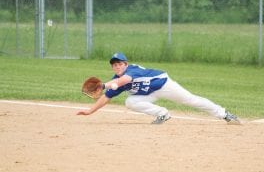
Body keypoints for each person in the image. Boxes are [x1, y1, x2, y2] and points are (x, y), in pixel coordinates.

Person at [77, 52, 241, 125]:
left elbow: (124, 81)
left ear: (126, 64)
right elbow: (106, 97)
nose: (117, 66)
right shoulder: (115, 79)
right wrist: (90, 111)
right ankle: (162, 114)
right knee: (130, 102)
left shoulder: (132, 70)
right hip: (148, 94)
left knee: (190, 100)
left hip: (164, 85)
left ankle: (224, 114)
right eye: (114, 65)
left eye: (119, 63)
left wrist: (104, 85)